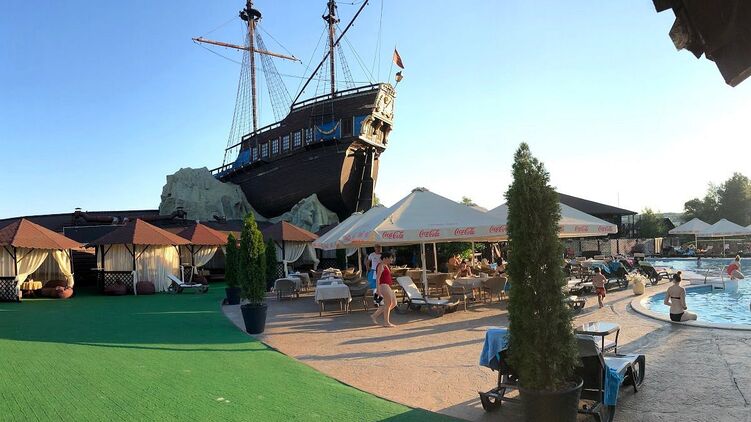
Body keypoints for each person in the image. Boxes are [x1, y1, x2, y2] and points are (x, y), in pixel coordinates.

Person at [370, 251, 397, 327]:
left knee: (394, 303)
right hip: (383, 286)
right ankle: (386, 322)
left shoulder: (386, 265)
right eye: (390, 258)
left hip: (387, 286)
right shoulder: (381, 266)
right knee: (388, 304)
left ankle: (375, 316)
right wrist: (378, 290)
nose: (392, 260)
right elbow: (377, 279)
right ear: (385, 258)